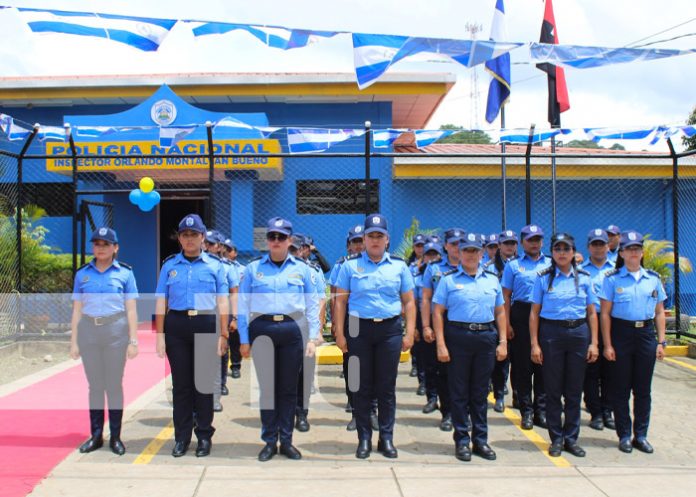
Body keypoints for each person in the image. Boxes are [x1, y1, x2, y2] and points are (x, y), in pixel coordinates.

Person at [237, 217, 320, 462]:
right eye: (272, 236)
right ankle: (269, 441)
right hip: (262, 330)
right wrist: (243, 338)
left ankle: (287, 441)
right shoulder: (253, 269)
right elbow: (243, 305)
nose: (276, 241)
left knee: (288, 389)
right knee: (267, 390)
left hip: (293, 330)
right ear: (267, 240)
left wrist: (313, 338)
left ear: (289, 241)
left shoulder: (302, 269)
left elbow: (312, 305)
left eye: (281, 237)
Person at [334, 213, 416, 459]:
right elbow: (340, 302)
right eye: (371, 236)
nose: (375, 240)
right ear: (364, 239)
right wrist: (339, 333)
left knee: (386, 388)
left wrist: (409, 332)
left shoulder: (399, 266)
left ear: (387, 240)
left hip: (389, 330)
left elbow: (409, 302)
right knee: (361, 387)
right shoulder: (350, 266)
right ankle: (364, 439)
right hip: (359, 329)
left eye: (380, 236)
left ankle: (387, 438)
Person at [155, 214, 230, 458]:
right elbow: (160, 301)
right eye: (185, 235)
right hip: (177, 325)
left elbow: (222, 301)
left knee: (204, 385)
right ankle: (182, 437)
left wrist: (223, 333)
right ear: (179, 238)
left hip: (205, 323)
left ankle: (204, 436)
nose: (189, 239)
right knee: (182, 386)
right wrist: (160, 334)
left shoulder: (215, 266)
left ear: (202, 237)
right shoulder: (169, 265)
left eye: (194, 235)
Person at [433, 233, 507, 462]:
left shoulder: (492, 280)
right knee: (459, 393)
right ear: (458, 252)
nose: (471, 255)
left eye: (475, 251)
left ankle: (481, 441)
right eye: (466, 250)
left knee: (480, 392)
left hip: (485, 337)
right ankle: (462, 441)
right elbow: (437, 312)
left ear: (482, 253)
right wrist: (441, 344)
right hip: (458, 337)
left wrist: (503, 341)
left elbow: (500, 311)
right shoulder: (448, 280)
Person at [529, 233, 599, 458]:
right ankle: (556, 438)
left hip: (579, 334)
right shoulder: (543, 278)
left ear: (573, 252)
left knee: (573, 389)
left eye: (566, 249)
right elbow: (534, 313)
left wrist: (594, 343)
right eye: (557, 249)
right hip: (551, 333)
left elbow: (592, 313)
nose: (561, 253)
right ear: (553, 253)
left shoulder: (585, 278)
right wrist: (534, 344)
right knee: (553, 389)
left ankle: (572, 438)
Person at [70, 227, 139, 456]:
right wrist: (74, 341)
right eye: (97, 244)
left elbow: (131, 310)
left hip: (115, 332)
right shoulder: (83, 274)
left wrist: (133, 340)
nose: (100, 248)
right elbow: (77, 309)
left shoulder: (125, 274)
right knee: (95, 386)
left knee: (114, 384)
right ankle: (96, 435)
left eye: (105, 244)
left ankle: (116, 436)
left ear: (115, 248)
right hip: (89, 331)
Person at [599, 230, 667, 454]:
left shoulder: (653, 279)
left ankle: (642, 435)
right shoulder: (612, 279)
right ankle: (625, 435)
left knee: (643, 389)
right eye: (629, 249)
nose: (633, 253)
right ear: (622, 252)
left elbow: (659, 313)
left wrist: (661, 342)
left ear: (642, 252)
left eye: (637, 249)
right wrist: (607, 345)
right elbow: (605, 314)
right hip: (621, 334)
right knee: (621, 389)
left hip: (646, 335)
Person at [328, 224, 378, 432]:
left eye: (360, 241)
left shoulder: (377, 263)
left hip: (372, 319)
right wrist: (336, 327)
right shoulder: (342, 265)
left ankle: (373, 410)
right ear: (349, 246)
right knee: (353, 365)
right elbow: (335, 297)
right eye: (354, 242)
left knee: (375, 366)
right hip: (351, 320)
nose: (358, 246)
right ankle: (357, 410)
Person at [501, 224, 550, 430]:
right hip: (520, 314)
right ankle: (526, 411)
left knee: (543, 366)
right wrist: (508, 323)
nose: (534, 243)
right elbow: (505, 296)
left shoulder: (551, 263)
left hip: (545, 315)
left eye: (537, 239)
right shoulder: (513, 266)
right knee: (522, 366)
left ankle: (541, 411)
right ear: (522, 243)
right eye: (530, 239)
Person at [420, 228, 465, 432]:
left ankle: (465, 414)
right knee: (444, 371)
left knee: (467, 373)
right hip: (441, 320)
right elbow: (426, 298)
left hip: (466, 322)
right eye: (453, 243)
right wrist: (426, 325)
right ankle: (447, 413)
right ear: (445, 246)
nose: (457, 247)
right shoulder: (434, 268)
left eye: (460, 243)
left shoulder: (476, 265)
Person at [291, 234, 327, 433]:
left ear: (303, 250)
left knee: (304, 374)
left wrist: (318, 331)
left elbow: (320, 301)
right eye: (290, 249)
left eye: (297, 249)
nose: (294, 253)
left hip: (305, 327)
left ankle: (301, 414)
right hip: (283, 327)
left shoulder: (312, 271)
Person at [580, 229, 616, 431]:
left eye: (602, 244)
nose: (598, 248)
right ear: (588, 247)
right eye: (594, 244)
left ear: (608, 246)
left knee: (611, 369)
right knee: (591, 370)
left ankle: (608, 411)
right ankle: (595, 413)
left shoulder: (616, 269)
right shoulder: (580, 269)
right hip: (589, 321)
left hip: (612, 322)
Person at [483, 229, 518, 413]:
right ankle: (499, 395)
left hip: (516, 315)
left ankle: (517, 394)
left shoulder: (521, 265)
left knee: (518, 359)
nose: (509, 246)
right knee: (499, 359)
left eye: (513, 243)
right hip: (495, 315)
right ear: (499, 246)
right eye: (506, 243)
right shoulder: (488, 267)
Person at [412, 241, 443, 400]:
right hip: (423, 316)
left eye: (434, 254)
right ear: (423, 256)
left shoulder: (444, 272)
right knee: (427, 358)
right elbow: (414, 300)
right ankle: (430, 393)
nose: (431, 258)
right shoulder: (417, 275)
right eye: (428, 254)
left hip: (443, 318)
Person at [222, 237, 244, 380]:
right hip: (222, 305)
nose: (226, 251)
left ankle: (235, 365)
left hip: (237, 305)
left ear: (234, 253)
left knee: (236, 338)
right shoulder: (220, 266)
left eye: (229, 249)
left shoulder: (243, 269)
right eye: (225, 248)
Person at [408, 233, 427, 376]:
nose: (421, 249)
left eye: (423, 246)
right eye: (418, 246)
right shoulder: (411, 267)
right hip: (417, 307)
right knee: (417, 341)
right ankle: (416, 365)